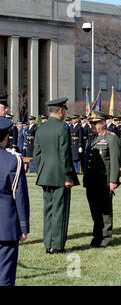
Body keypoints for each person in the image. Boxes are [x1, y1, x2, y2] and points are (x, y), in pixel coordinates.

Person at [33, 98, 79, 254]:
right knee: (60, 210)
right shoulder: (62, 128)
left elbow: (37, 155)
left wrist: (41, 172)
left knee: (49, 210)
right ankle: (57, 246)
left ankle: (48, 244)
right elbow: (64, 155)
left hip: (45, 175)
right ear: (60, 110)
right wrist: (68, 177)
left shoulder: (40, 128)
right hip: (59, 176)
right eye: (64, 110)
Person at [83, 111, 121, 248]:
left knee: (105, 212)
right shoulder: (91, 138)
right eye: (90, 123)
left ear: (103, 123)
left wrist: (113, 181)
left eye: (95, 123)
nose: (91, 125)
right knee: (95, 212)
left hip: (104, 182)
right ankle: (96, 237)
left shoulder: (111, 138)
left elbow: (115, 161)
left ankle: (105, 239)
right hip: (91, 182)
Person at [0, 117, 30, 286]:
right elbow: (19, 196)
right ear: (6, 138)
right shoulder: (13, 160)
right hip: (6, 227)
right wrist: (24, 227)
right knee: (5, 277)